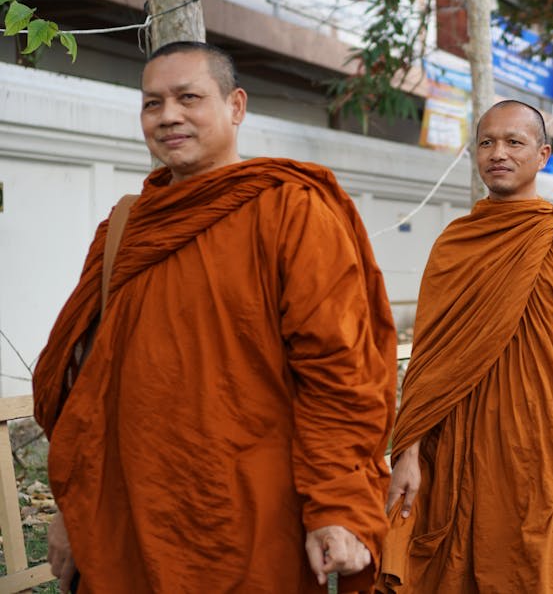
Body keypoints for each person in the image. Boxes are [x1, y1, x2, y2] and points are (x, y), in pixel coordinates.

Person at [32, 42, 396, 593]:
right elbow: (86, 387)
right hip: (125, 514)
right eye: (152, 103)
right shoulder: (126, 229)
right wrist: (72, 507)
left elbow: (339, 370)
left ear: (236, 106)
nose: (168, 115)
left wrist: (337, 503)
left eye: (189, 97)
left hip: (248, 516)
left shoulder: (290, 211)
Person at [377, 100, 553, 593]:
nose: (498, 153)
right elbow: (430, 356)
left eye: (513, 142)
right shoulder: (456, 243)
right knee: (462, 572)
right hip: (466, 447)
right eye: (486, 143)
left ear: (543, 154)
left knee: (548, 575)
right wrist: (409, 451)